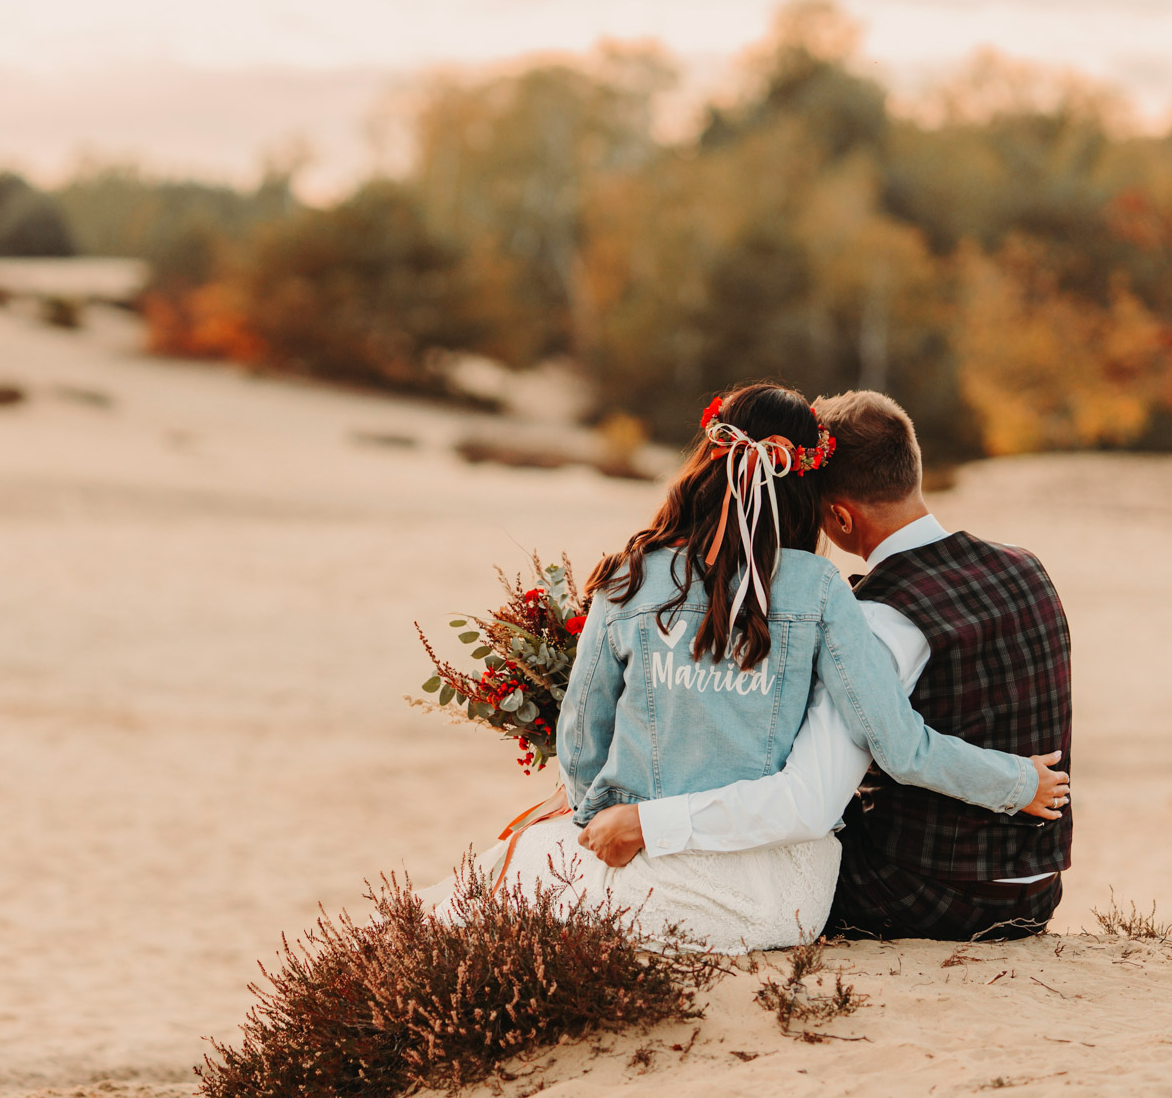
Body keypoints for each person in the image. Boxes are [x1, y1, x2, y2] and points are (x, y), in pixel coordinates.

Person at [424, 382, 1067, 952]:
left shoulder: (629, 579)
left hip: (698, 859)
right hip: (792, 890)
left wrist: (606, 822)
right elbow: (898, 743)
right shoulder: (825, 589)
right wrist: (1014, 782)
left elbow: (579, 735)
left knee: (479, 892)